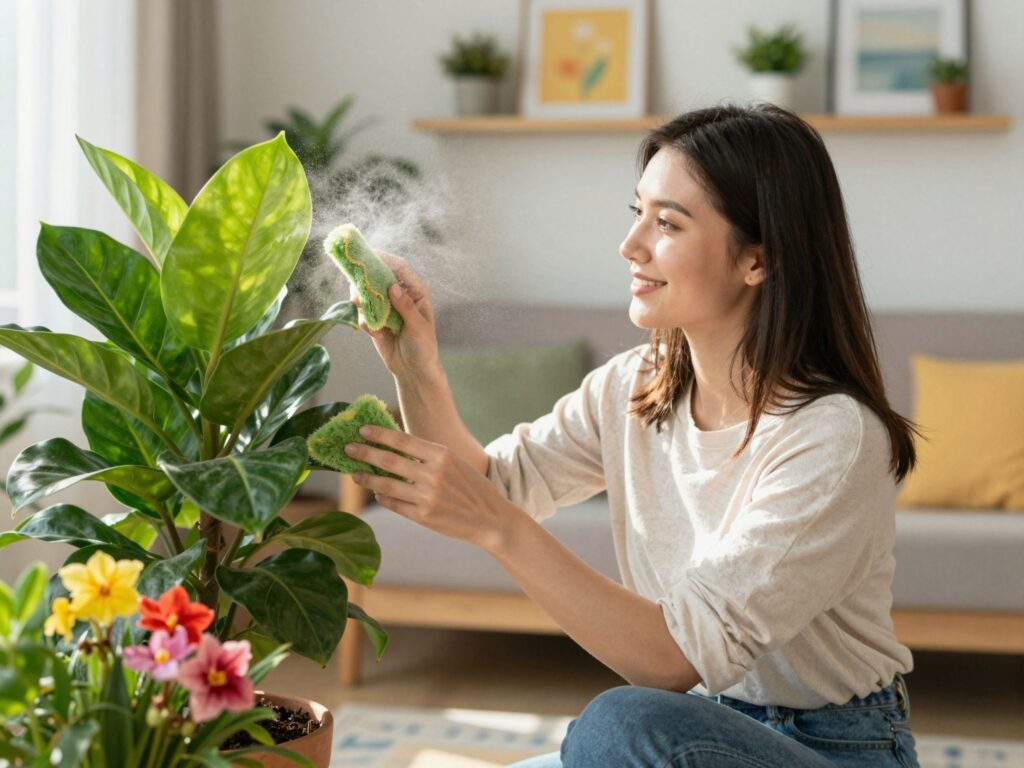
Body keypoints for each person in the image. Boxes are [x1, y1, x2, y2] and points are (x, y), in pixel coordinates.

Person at [344, 103, 923, 767]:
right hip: (701, 725)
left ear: (757, 259)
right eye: (637, 212)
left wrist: (499, 527)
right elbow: (493, 487)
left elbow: (670, 661)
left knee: (622, 725)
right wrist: (418, 369)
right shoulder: (634, 386)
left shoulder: (832, 439)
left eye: (667, 223)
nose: (631, 245)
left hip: (834, 749)